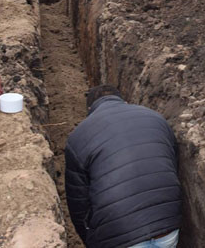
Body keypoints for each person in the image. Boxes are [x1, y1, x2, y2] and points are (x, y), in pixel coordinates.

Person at [65, 85, 182, 248]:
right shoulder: (157, 118)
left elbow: (78, 203)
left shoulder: (78, 136)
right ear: (124, 101)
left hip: (119, 237)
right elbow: (172, 165)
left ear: (90, 109)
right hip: (168, 230)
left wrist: (90, 240)